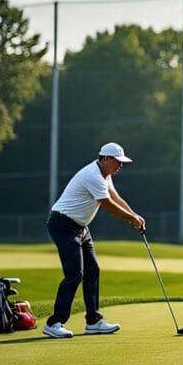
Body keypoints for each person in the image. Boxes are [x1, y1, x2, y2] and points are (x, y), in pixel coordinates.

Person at [43, 142, 145, 339]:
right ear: (105, 159)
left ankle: (93, 321)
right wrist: (130, 219)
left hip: (80, 226)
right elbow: (107, 204)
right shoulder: (92, 175)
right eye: (118, 162)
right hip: (63, 224)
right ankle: (54, 322)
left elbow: (115, 197)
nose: (120, 166)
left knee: (92, 271)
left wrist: (135, 215)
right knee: (75, 274)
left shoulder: (105, 175)